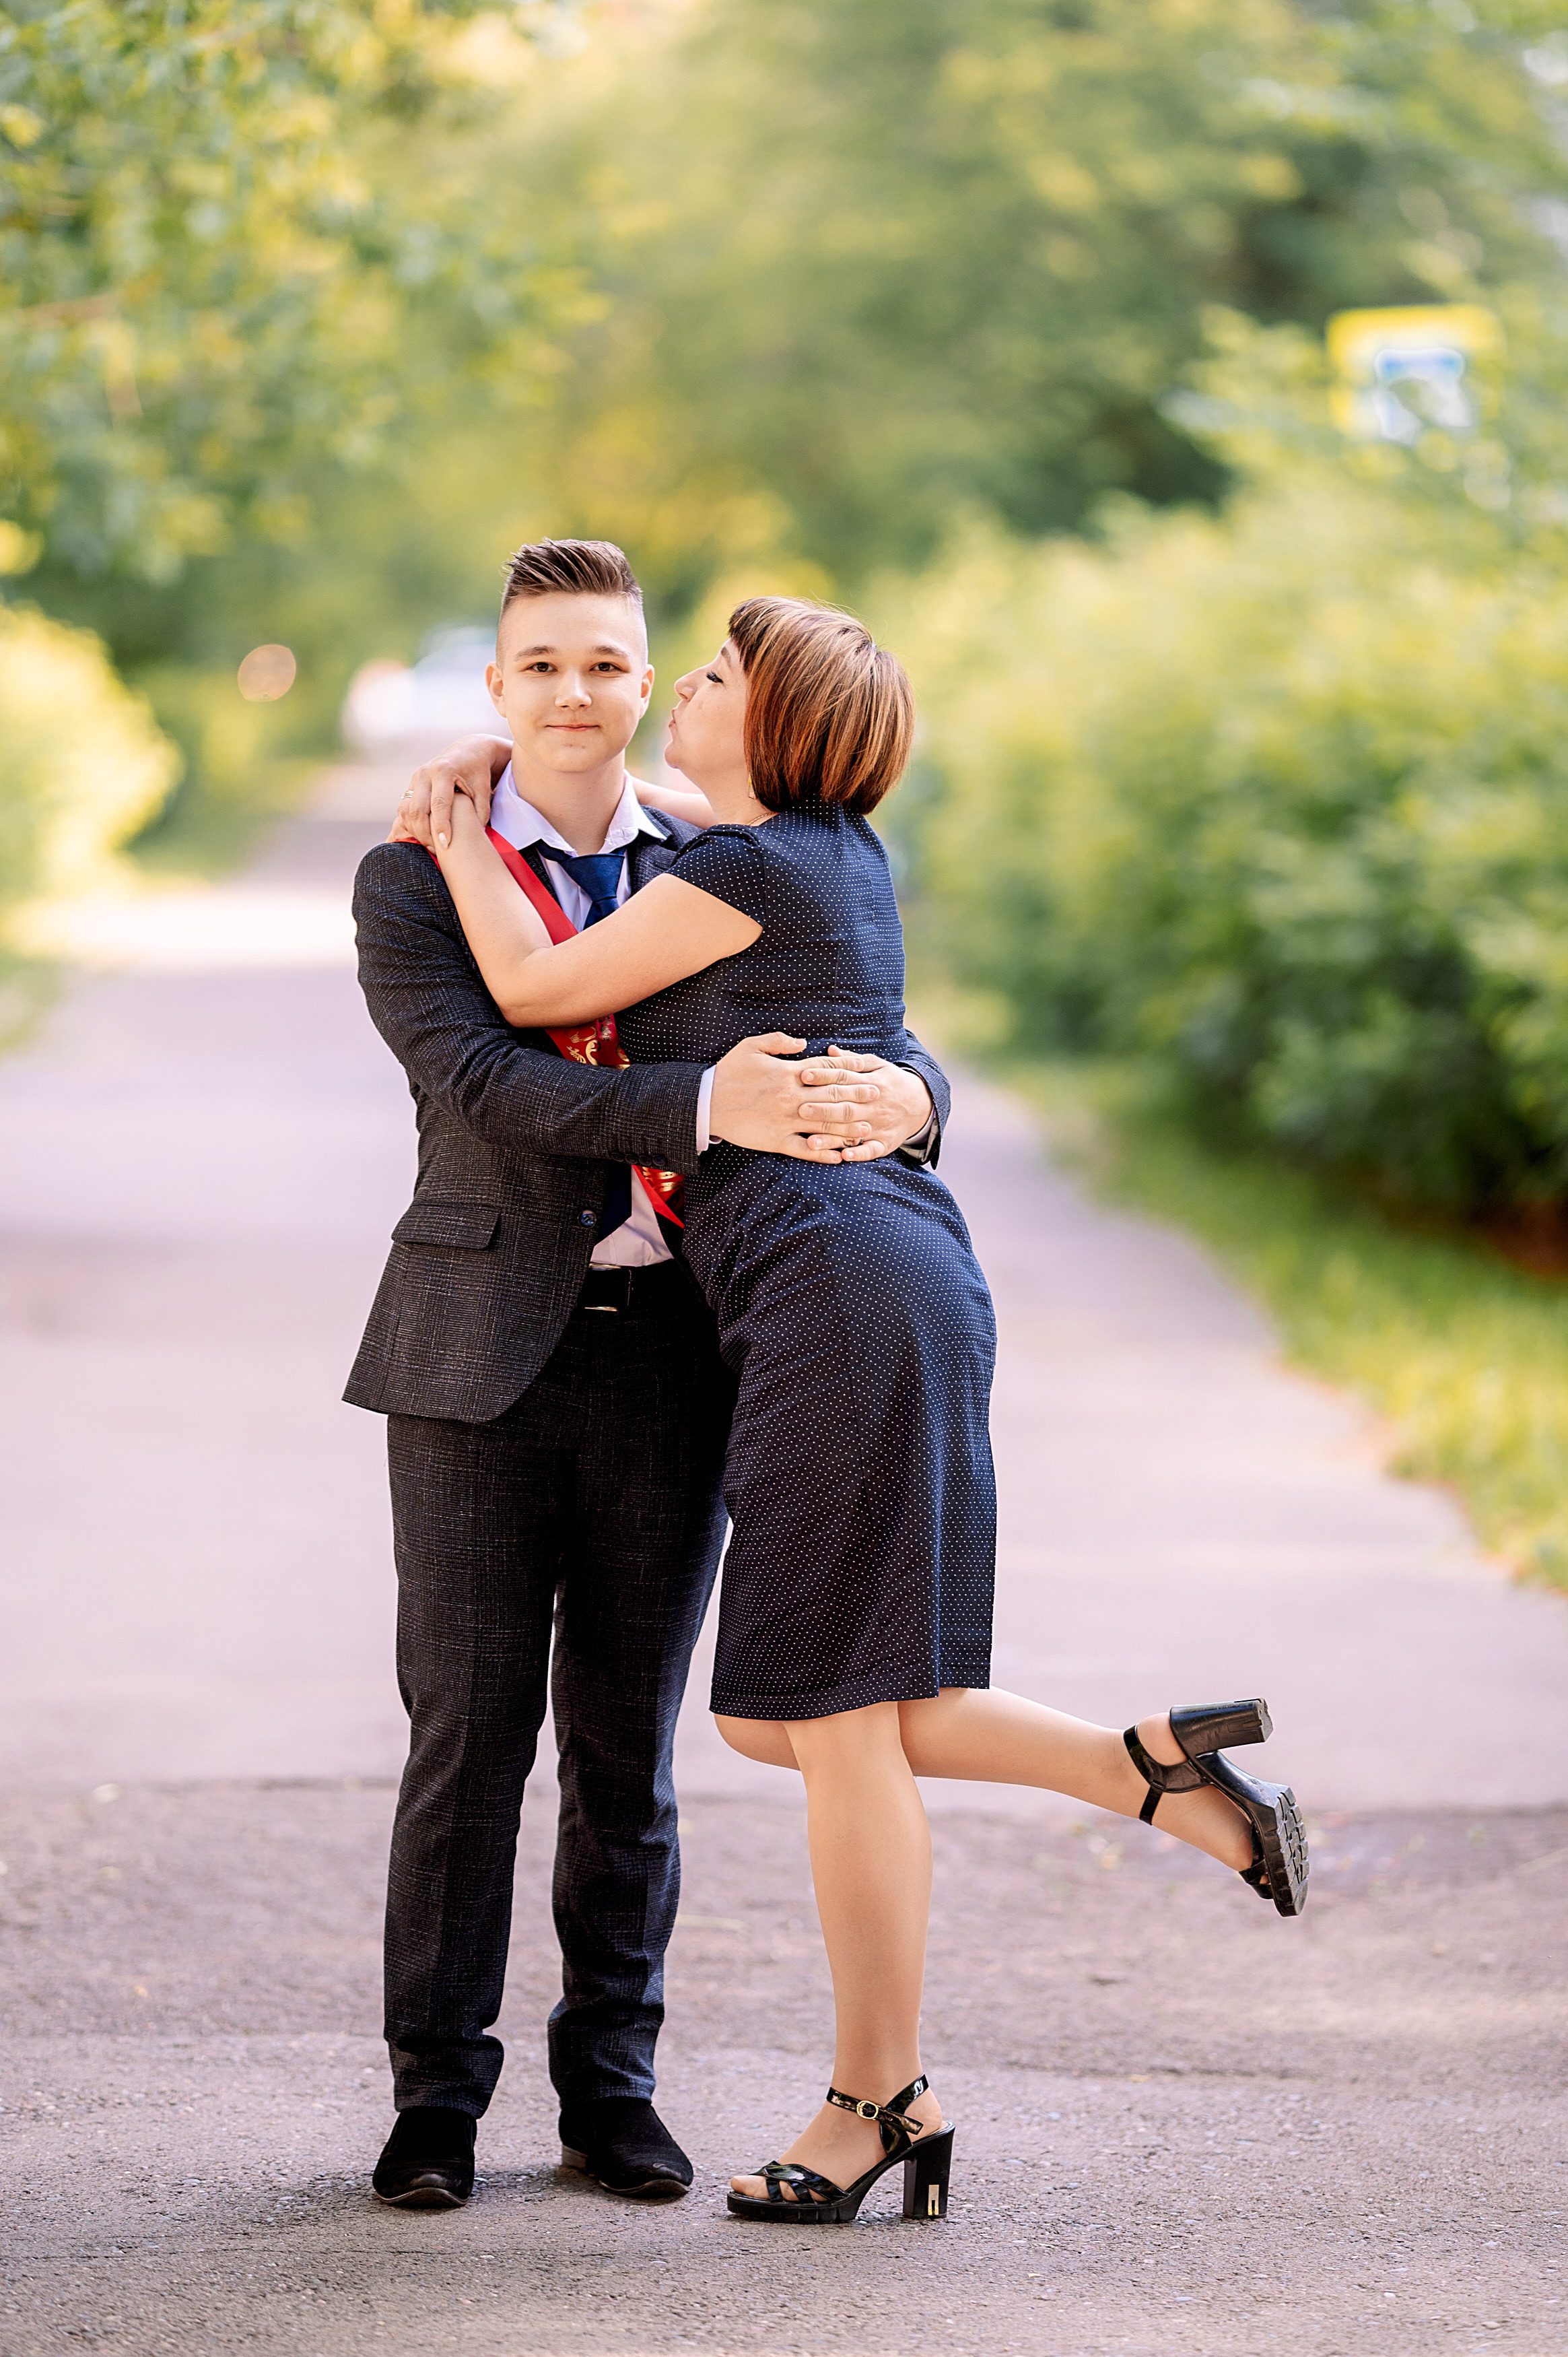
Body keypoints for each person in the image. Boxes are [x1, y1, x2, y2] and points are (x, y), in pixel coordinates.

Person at [407, 588, 1311, 2225]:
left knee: (827, 1724)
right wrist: (540, 759)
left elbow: (536, 994)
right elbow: (709, 877)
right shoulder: (816, 857)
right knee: (789, 1712)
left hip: (831, 1291)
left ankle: (874, 2099)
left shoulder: (746, 869)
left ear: (774, 732)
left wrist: (458, 822)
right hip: (872, 1276)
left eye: (709, 673)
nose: (676, 683)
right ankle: (1145, 1769)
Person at [347, 539, 948, 2212]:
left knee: (628, 1748)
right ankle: (434, 2104)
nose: (576, 693)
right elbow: (486, 1074)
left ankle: (611, 2088)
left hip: (683, 1357)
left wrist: (916, 1105)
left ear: (639, 681)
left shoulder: (719, 852)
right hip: (476, 1355)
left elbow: (863, 1009)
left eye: (609, 663)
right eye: (539, 664)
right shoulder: (415, 871)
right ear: (497, 686)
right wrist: (707, 1110)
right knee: (468, 1739)